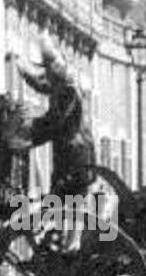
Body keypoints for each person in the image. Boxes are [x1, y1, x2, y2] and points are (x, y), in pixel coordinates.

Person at [7, 40, 94, 204]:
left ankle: (68, 228)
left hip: (75, 156)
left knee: (68, 205)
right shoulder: (63, 87)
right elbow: (43, 86)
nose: (47, 73)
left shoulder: (68, 91)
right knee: (62, 203)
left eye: (49, 69)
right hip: (70, 154)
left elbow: (55, 122)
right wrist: (25, 74)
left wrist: (29, 131)